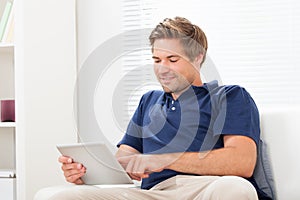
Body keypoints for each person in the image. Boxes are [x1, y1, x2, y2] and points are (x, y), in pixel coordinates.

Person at [38, 17, 272, 200]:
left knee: (235, 190)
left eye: (172, 59)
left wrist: (163, 160)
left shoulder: (229, 96)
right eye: (157, 60)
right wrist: (87, 173)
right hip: (153, 192)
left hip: (206, 187)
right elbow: (126, 159)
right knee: (61, 196)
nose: (162, 69)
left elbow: (242, 162)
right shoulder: (148, 101)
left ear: (198, 57)